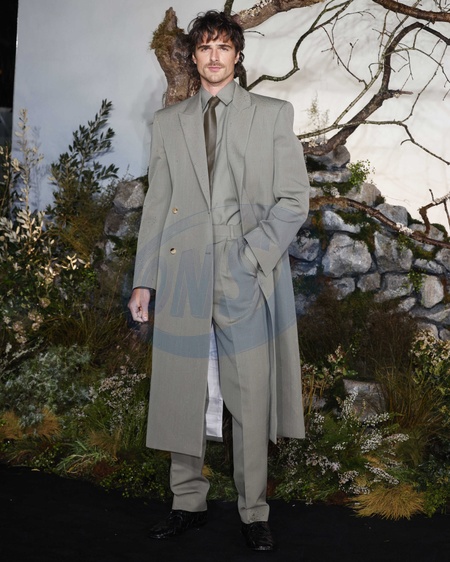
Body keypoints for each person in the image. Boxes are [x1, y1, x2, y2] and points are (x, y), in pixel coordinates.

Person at [128, 10, 310, 552]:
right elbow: (157, 206)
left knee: (249, 394)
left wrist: (254, 256)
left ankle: (254, 512)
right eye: (204, 47)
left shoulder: (272, 115)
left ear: (237, 55)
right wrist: (144, 281)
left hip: (243, 270)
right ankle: (187, 503)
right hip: (182, 269)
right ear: (193, 55)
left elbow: (294, 199)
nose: (213, 56)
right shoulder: (169, 122)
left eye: (223, 47)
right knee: (182, 387)